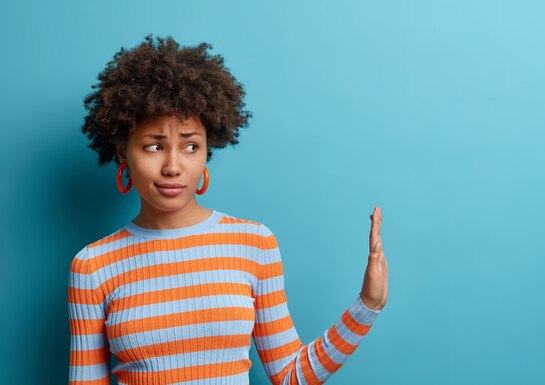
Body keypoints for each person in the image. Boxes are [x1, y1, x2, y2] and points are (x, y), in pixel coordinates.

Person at [67, 35, 388, 385]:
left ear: (207, 151)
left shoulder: (254, 244)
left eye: (190, 146)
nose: (173, 166)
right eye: (154, 146)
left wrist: (366, 305)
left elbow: (290, 375)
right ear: (123, 151)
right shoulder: (92, 268)